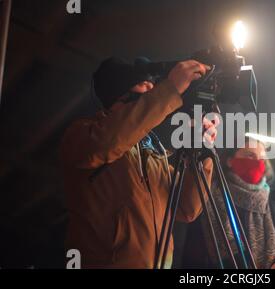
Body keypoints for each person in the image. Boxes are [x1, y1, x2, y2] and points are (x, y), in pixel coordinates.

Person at [60, 57, 219, 269]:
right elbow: (110, 141)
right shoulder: (83, 134)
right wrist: (169, 90)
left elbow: (187, 208)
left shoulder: (155, 155)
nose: (152, 88)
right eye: (145, 84)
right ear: (120, 91)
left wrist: (200, 151)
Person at [182, 139, 275, 269]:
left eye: (262, 159)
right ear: (229, 160)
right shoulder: (207, 197)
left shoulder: (274, 202)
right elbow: (191, 257)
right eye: (250, 155)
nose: (257, 162)